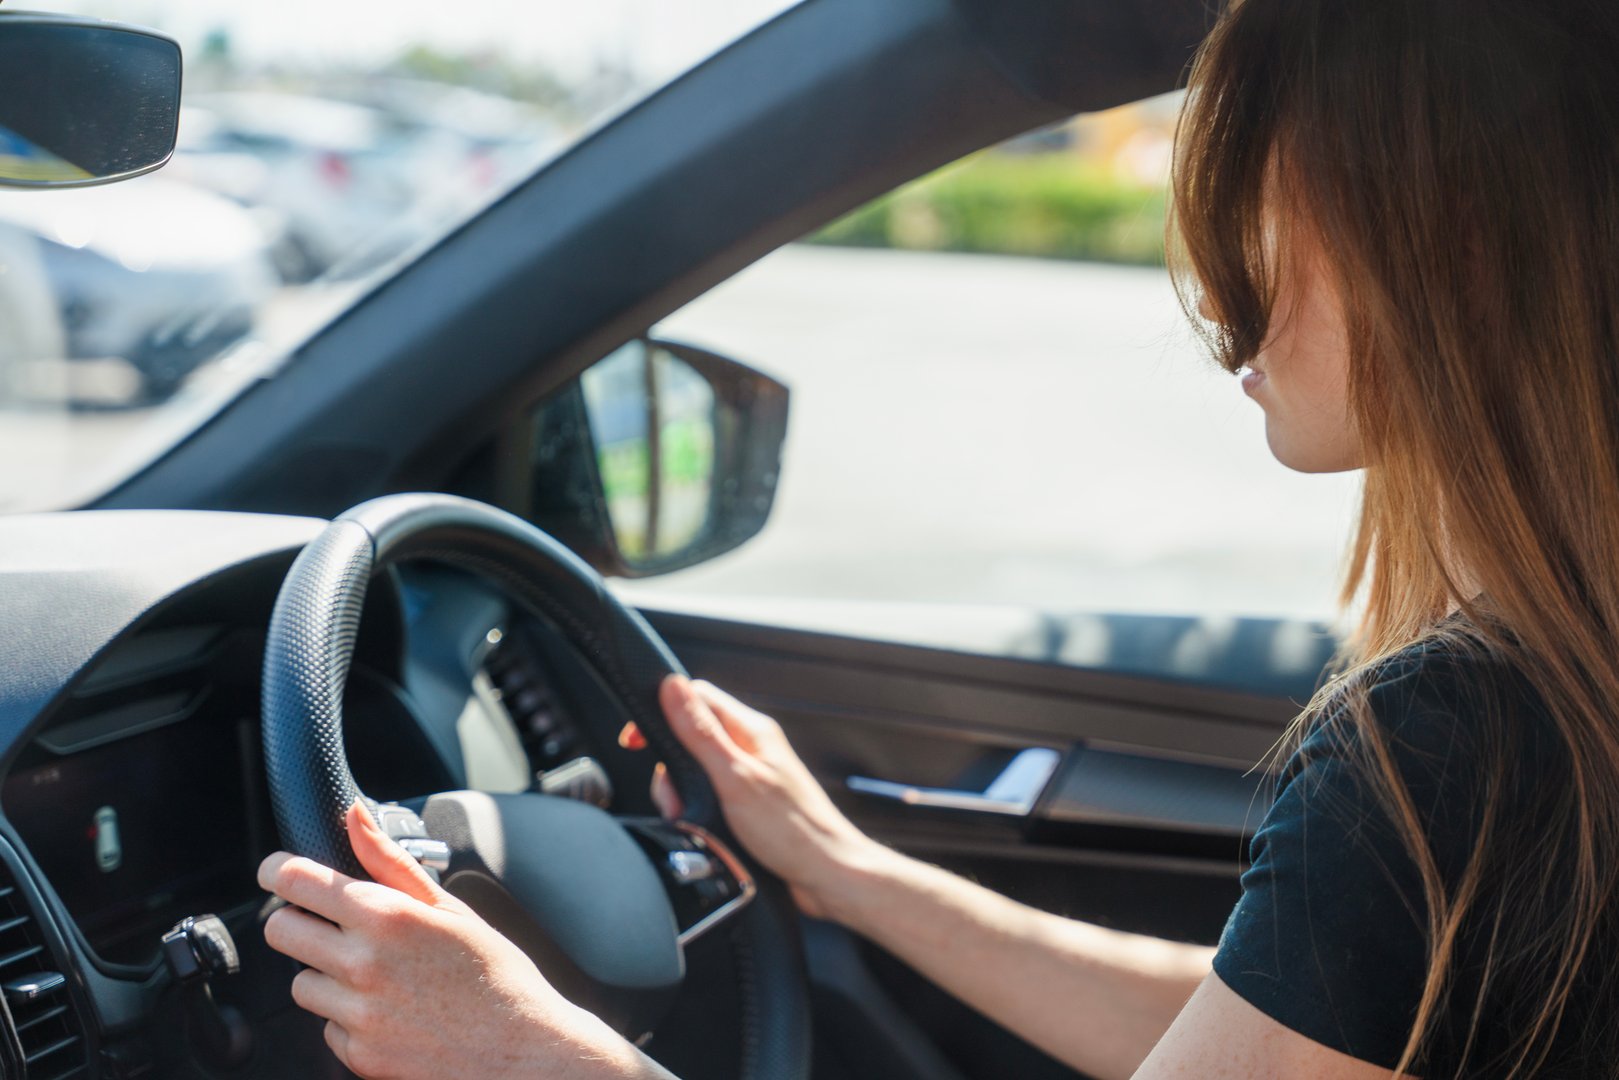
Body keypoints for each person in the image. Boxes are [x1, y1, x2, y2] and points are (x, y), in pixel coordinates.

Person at [256, 0, 1619, 1076]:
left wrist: (522, 1053)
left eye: (1262, 207)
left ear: (1442, 246)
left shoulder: (1452, 742)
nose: (1216, 289)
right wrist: (855, 877)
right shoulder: (1534, 713)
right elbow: (1282, 1023)